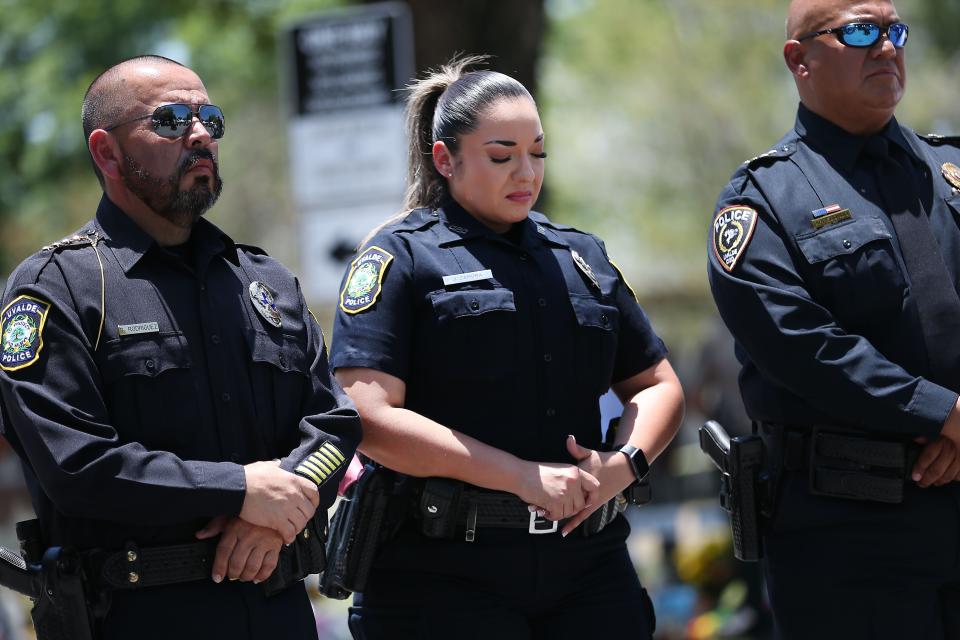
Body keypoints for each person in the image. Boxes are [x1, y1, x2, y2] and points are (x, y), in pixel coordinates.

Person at [0, 55, 361, 639]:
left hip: (275, 607)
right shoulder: (57, 288)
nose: (199, 135)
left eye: (210, 120)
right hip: (137, 615)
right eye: (169, 121)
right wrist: (241, 490)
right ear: (108, 153)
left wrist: (278, 511)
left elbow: (334, 425)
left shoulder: (266, 282)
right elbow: (76, 465)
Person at [329, 56, 684, 639]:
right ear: (445, 159)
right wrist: (520, 477)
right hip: (443, 576)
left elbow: (658, 384)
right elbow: (367, 416)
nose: (526, 172)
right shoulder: (400, 257)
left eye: (538, 152)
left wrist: (624, 466)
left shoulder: (583, 257)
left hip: (590, 572)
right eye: (502, 155)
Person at [707, 0, 960, 637]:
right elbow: (801, 347)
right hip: (850, 534)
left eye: (894, 30)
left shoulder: (951, 173)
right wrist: (946, 415)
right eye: (859, 32)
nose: (886, 47)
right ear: (800, 59)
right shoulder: (763, 200)